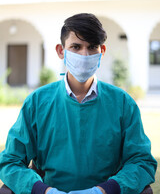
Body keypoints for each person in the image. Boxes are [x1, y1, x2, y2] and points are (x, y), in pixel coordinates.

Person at [0, 13, 157, 194]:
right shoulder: (37, 102)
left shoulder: (122, 103)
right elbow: (10, 161)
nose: (84, 54)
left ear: (102, 52)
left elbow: (141, 161)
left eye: (92, 47)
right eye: (76, 46)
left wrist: (102, 190)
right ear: (61, 51)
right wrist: (44, 191)